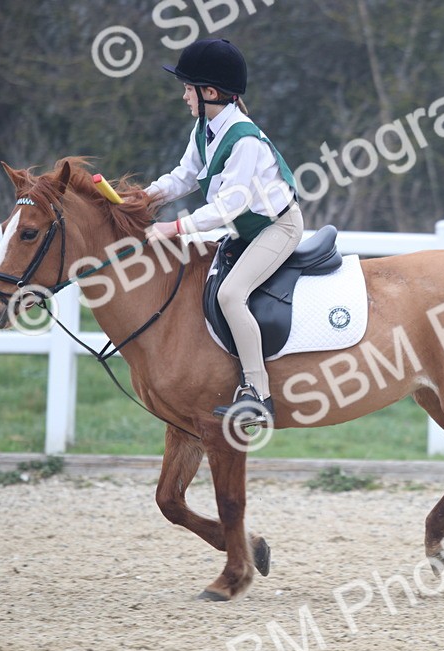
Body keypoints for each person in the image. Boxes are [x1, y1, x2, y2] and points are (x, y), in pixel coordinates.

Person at [145, 38, 301, 426]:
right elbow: (183, 177)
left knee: (232, 295)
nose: (184, 97)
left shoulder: (244, 139)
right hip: (250, 231)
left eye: (187, 88)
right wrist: (140, 198)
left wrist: (174, 227)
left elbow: (228, 207)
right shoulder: (206, 128)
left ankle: (258, 394)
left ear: (209, 92)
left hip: (278, 228)